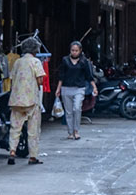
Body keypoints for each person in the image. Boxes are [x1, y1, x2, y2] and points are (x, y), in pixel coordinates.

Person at [7, 36, 46, 165]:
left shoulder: (17, 62)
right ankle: (33, 157)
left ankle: (12, 152)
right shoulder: (36, 62)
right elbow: (40, 80)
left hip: (16, 100)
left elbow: (12, 78)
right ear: (35, 50)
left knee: (15, 128)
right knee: (33, 129)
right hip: (31, 100)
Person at [54, 41, 97, 139]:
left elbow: (89, 76)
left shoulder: (84, 62)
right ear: (70, 50)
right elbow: (61, 75)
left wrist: (94, 87)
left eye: (76, 51)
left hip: (79, 88)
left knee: (77, 108)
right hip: (66, 88)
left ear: (80, 51)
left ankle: (76, 130)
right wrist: (58, 88)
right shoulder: (65, 60)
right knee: (68, 112)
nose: (74, 52)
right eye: (72, 50)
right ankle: (70, 132)